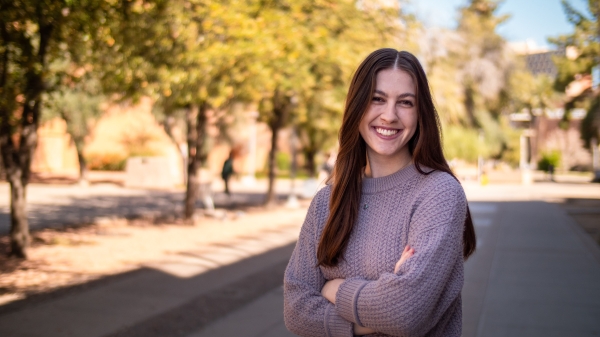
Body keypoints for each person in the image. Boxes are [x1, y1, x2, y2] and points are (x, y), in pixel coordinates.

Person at [283, 49, 476, 337]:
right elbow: (296, 311)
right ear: (357, 106)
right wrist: (378, 301)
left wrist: (333, 288)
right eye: (377, 99)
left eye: (405, 103)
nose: (389, 115)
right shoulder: (327, 201)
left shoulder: (439, 193)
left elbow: (405, 311)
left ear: (420, 112)